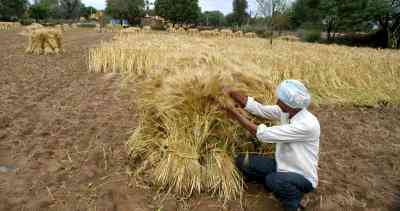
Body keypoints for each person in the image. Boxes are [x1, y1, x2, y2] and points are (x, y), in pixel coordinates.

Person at [222, 80, 320, 211]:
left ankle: (294, 204)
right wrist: (231, 91)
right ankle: (279, 184)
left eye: (280, 99)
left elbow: (263, 134)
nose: (277, 100)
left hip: (302, 177)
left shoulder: (307, 125)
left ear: (288, 104)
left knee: (273, 180)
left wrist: (236, 115)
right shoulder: (287, 112)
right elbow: (259, 109)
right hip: (281, 165)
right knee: (242, 162)